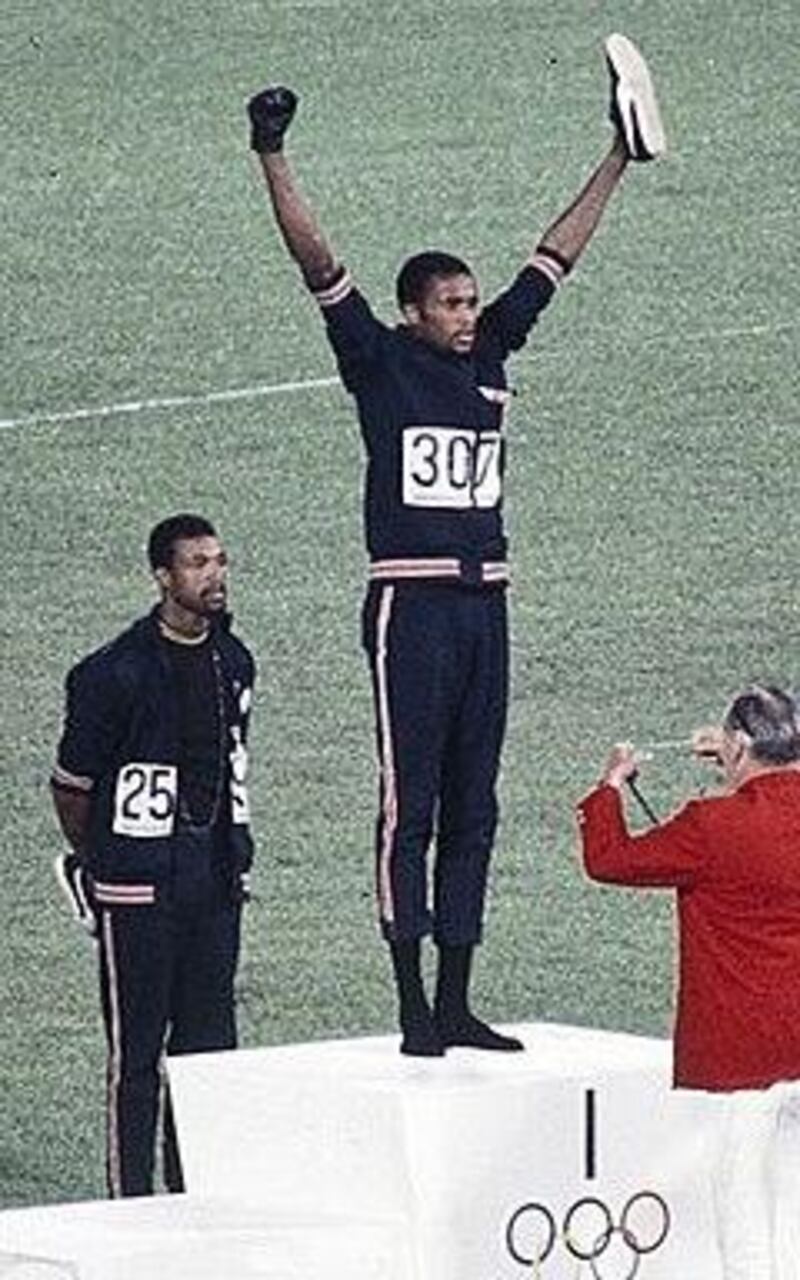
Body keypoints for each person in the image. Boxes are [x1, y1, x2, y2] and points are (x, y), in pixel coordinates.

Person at [246, 36, 665, 1056]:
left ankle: (457, 997)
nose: (470, 317)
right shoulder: (376, 362)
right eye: (450, 304)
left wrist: (615, 154)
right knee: (412, 804)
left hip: (486, 605)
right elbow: (315, 260)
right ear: (410, 313)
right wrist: (271, 154)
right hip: (412, 607)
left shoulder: (495, 350)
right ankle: (408, 1002)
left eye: (473, 301)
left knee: (475, 802)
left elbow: (554, 257)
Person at [51, 514, 256, 1197]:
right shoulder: (111, 675)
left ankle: (195, 1197)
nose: (214, 574)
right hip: (138, 894)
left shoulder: (236, 662)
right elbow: (71, 789)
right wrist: (102, 861)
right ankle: (129, 1206)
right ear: (163, 577)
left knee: (207, 1060)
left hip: (214, 888)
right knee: (136, 1059)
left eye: (219, 560)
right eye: (197, 563)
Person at [577, 685, 800, 1280]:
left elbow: (610, 859)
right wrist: (737, 759)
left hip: (749, 1051)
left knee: (745, 1212)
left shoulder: (713, 826)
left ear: (741, 744)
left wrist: (610, 787)